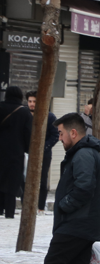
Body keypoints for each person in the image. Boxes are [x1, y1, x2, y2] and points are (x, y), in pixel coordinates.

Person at [44, 112, 100, 264]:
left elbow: (84, 188)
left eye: (61, 134)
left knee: (53, 263)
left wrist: (63, 206)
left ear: (73, 132)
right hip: (82, 223)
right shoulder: (83, 153)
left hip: (77, 223)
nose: (59, 138)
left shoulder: (83, 154)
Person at [0, 87, 32, 219]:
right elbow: (28, 134)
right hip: (16, 154)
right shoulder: (25, 113)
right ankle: (9, 212)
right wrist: (26, 149)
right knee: (12, 184)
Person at [25, 90, 59, 215]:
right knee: (25, 178)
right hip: (26, 152)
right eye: (30, 101)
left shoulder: (49, 116)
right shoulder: (24, 114)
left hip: (44, 153)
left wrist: (44, 147)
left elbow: (55, 134)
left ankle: (40, 207)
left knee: (42, 179)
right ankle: (26, 204)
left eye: (34, 101)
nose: (32, 104)